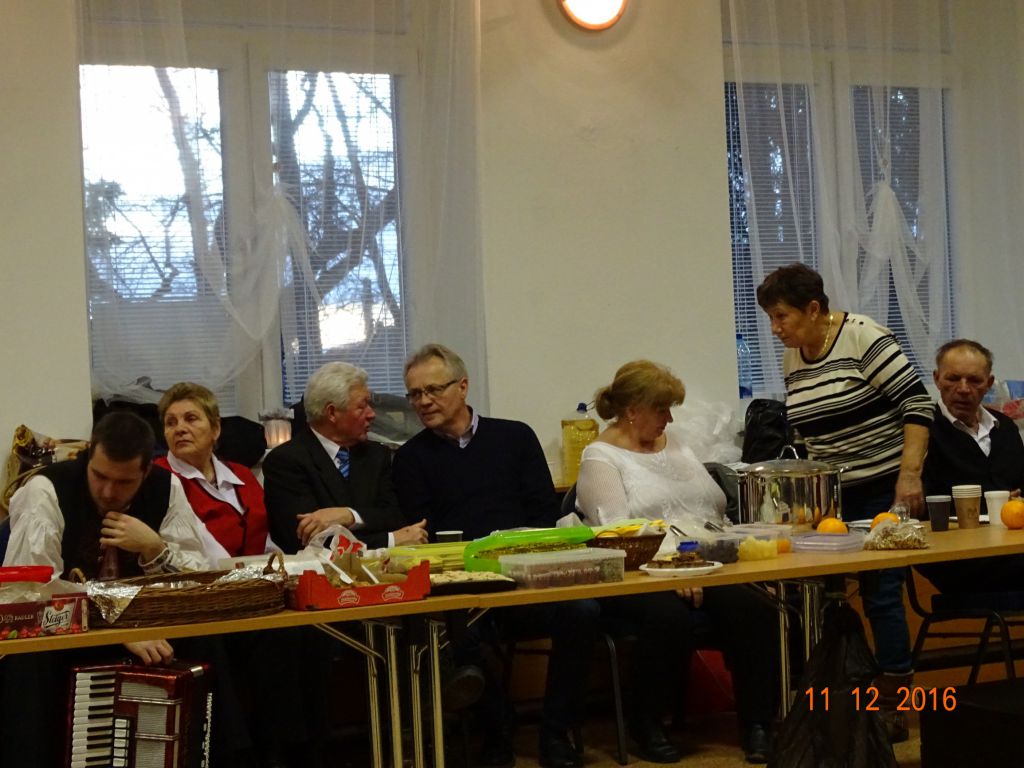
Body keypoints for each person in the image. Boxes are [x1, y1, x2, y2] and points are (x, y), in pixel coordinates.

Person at [393, 343, 600, 768]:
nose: (423, 401)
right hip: (463, 580)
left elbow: (543, 513)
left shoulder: (514, 437)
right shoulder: (410, 458)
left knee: (583, 610)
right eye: (414, 394)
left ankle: (555, 732)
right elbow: (422, 532)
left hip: (527, 571)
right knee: (457, 629)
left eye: (433, 389)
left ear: (463, 386)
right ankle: (497, 729)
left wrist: (516, 552)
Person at [0, 412, 247, 767]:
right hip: (68, 634)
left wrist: (154, 549)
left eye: (124, 482)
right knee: (29, 659)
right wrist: (118, 626)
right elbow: (30, 594)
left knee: (208, 639)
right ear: (88, 456)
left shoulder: (165, 487)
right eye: (99, 476)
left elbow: (198, 578)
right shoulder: (46, 490)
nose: (108, 492)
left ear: (145, 472)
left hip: (148, 626)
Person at [757, 263, 934, 742]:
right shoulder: (795, 355)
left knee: (881, 594)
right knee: (820, 598)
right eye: (771, 318)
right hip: (831, 497)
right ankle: (831, 701)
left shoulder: (863, 338)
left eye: (781, 316)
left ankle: (894, 704)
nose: (775, 329)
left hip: (883, 486)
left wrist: (909, 476)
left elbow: (918, 405)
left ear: (814, 309)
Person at [575, 359, 779, 764]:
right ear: (632, 410)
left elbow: (712, 505)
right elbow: (618, 535)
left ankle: (759, 724)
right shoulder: (600, 458)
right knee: (668, 617)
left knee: (756, 610)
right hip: (636, 573)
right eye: (661, 409)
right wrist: (674, 568)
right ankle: (648, 723)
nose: (669, 419)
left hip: (704, 563)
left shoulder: (676, 443)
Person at [155, 382, 325, 768]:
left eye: (191, 418)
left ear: (215, 429)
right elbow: (190, 555)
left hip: (254, 593)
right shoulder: (160, 480)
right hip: (202, 600)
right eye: (171, 422)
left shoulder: (242, 475)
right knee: (270, 638)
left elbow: (265, 541)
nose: (180, 428)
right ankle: (255, 752)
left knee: (307, 629)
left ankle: (305, 746)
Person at [263, 361, 428, 553]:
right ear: (332, 412)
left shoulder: (376, 455)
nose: (372, 414)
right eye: (362, 406)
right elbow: (309, 543)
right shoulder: (286, 461)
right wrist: (390, 540)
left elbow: (395, 517)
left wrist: (349, 516)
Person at [917, 339, 1024, 593]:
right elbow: (925, 505)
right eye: (953, 378)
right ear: (937, 379)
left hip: (1009, 544)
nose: (963, 389)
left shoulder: (1005, 428)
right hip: (955, 552)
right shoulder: (923, 432)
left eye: (974, 381)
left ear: (989, 383)